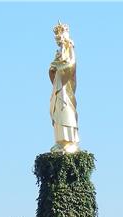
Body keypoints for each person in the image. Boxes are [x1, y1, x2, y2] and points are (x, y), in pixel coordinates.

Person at [49, 22, 79, 153]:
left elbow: (71, 64)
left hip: (65, 87)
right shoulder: (59, 52)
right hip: (58, 85)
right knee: (57, 110)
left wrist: (60, 66)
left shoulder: (69, 48)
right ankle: (60, 141)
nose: (59, 42)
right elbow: (53, 68)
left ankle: (70, 141)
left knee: (66, 108)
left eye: (60, 39)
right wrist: (53, 68)